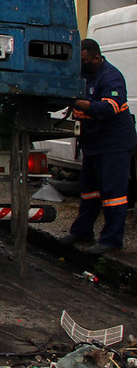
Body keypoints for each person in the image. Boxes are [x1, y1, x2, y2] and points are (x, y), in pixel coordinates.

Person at [60, 39, 137, 254]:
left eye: (84, 60)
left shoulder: (111, 76)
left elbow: (108, 108)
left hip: (114, 143)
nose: (80, 64)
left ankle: (112, 239)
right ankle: (82, 230)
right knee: (89, 191)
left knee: (113, 193)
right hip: (92, 143)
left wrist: (77, 101)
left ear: (96, 57)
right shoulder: (83, 75)